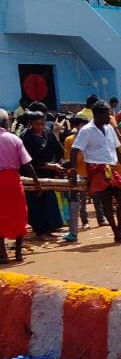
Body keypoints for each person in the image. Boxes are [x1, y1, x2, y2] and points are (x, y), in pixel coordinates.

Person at [69, 101, 121, 243]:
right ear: (97, 115)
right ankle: (116, 232)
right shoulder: (86, 130)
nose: (109, 116)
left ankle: (120, 230)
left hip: (111, 168)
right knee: (107, 201)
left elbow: (117, 149)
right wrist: (73, 170)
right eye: (106, 114)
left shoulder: (109, 128)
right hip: (96, 169)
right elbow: (74, 150)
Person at [0, 108, 40, 263]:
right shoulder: (15, 139)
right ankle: (18, 254)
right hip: (13, 181)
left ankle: (2, 254)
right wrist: (37, 183)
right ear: (6, 122)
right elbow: (27, 164)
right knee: (19, 214)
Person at [20, 111, 65, 238]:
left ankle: (50, 229)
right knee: (36, 203)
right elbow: (28, 160)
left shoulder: (48, 133)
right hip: (32, 173)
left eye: (42, 123)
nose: (40, 127)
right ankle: (39, 232)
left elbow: (59, 150)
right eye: (36, 124)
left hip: (48, 173)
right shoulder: (25, 137)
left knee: (49, 201)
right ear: (31, 124)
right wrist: (51, 166)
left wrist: (57, 165)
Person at [64, 115, 107, 239]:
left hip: (92, 170)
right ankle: (85, 221)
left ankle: (101, 218)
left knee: (97, 196)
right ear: (76, 126)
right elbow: (68, 157)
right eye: (81, 125)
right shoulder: (69, 140)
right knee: (81, 199)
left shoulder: (90, 137)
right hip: (80, 172)